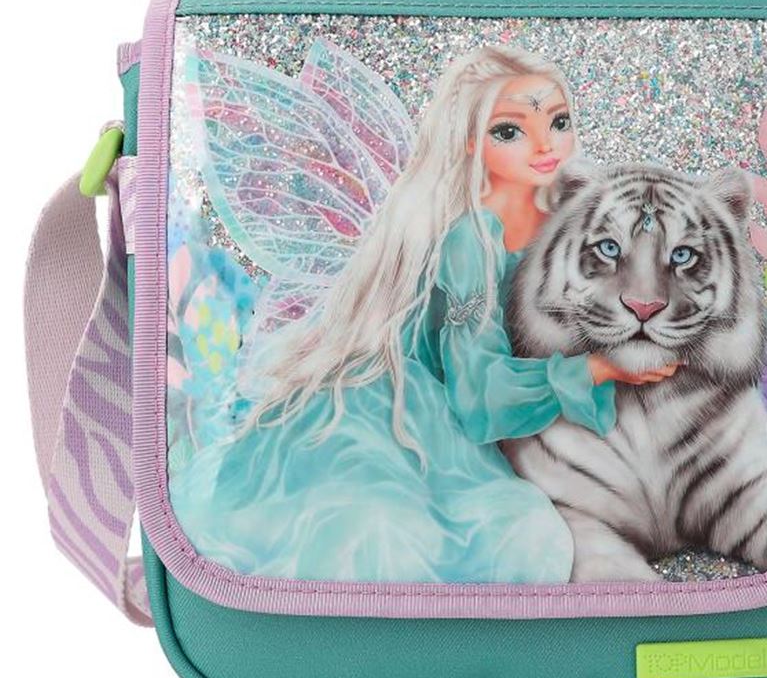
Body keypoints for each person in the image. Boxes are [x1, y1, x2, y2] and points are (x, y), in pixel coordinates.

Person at [170, 46, 675, 582]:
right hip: (415, 415)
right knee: (471, 533)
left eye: (559, 122)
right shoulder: (471, 240)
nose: (545, 144)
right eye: (511, 131)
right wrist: (594, 369)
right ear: (470, 140)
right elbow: (477, 395)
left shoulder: (574, 222)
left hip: (506, 416)